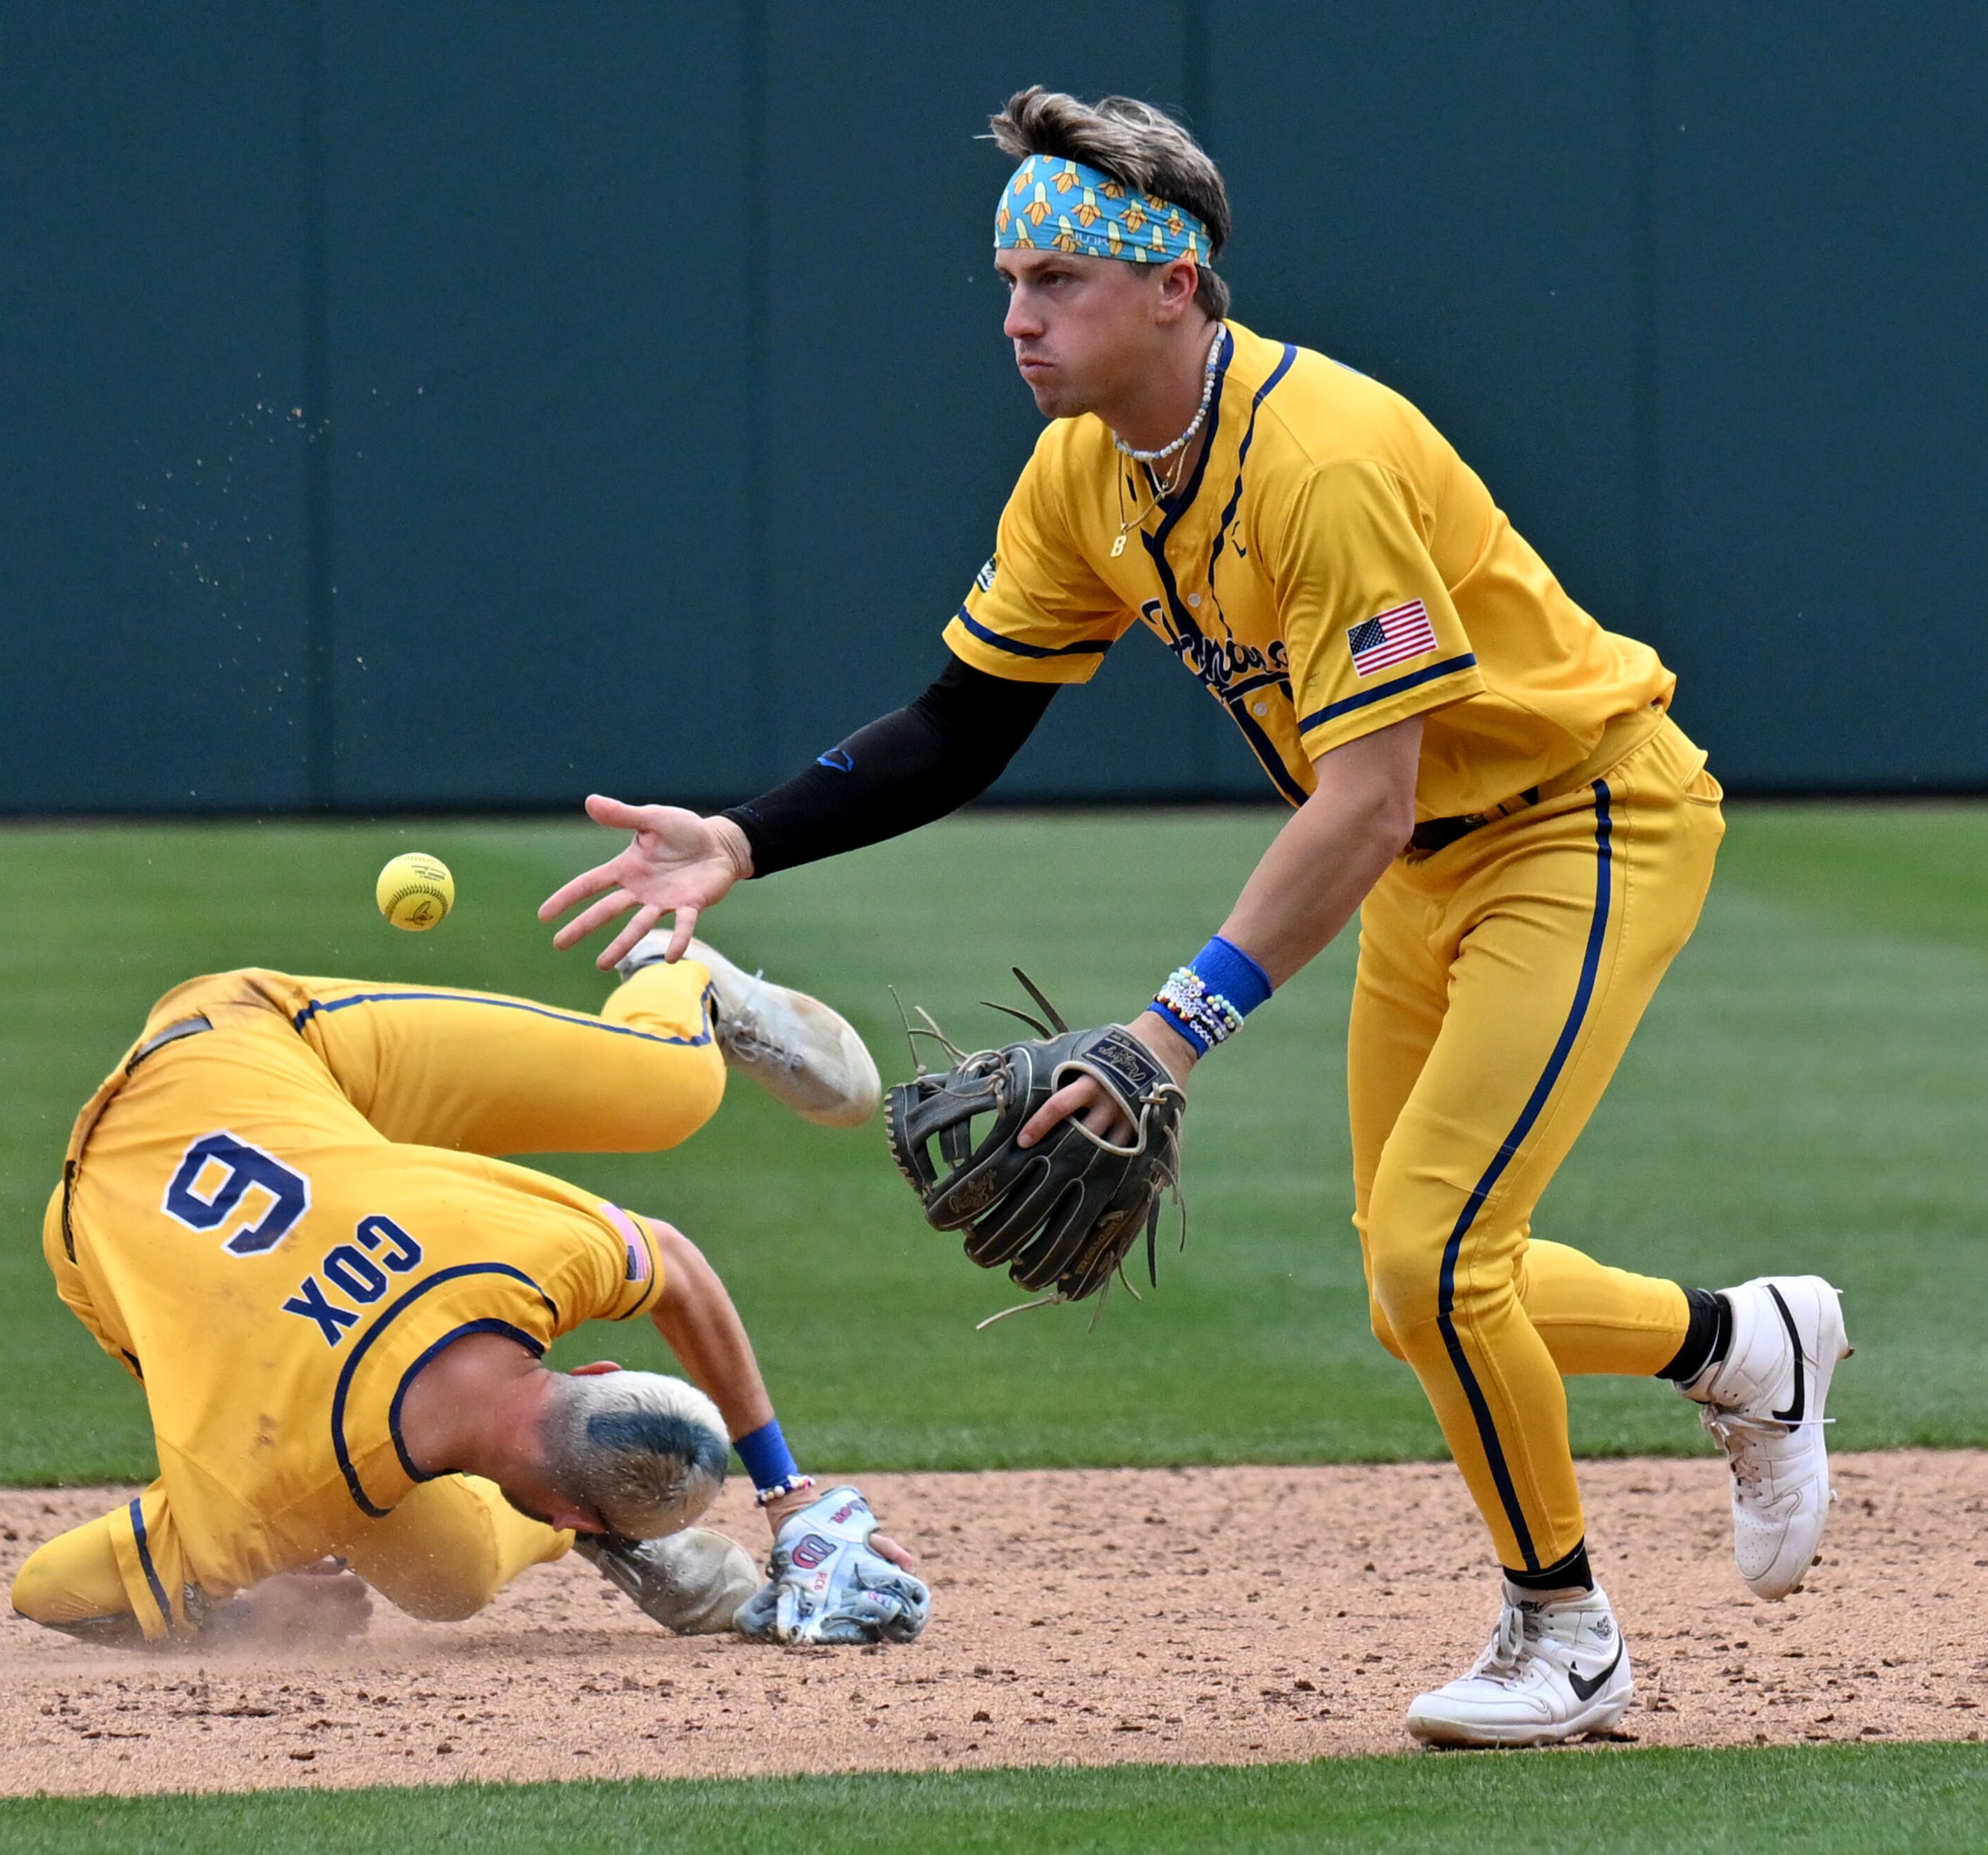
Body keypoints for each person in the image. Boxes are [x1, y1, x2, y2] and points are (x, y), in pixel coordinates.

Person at [540, 87, 1846, 1747]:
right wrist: (742, 833)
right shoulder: (1082, 475)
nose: (1019, 318)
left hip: (1583, 823)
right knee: (1417, 1284)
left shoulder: (1326, 460)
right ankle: (1748, 1343)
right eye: (1011, 284)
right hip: (1426, 866)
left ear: (1176, 288)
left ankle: (1565, 1635)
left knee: (1438, 1258)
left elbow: (1364, 797)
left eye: (1062, 282)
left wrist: (1171, 1033)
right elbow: (964, 723)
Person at [7, 937, 927, 1650]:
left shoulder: (526, 1260)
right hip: (229, 1089)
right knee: (672, 1075)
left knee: (447, 1577)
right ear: (568, 1505)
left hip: (224, 1094)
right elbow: (51, 1588)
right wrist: (233, 1608)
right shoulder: (272, 1496)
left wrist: (789, 1488)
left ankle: (623, 1533)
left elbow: (675, 1267)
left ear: (599, 1366)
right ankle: (679, 972)